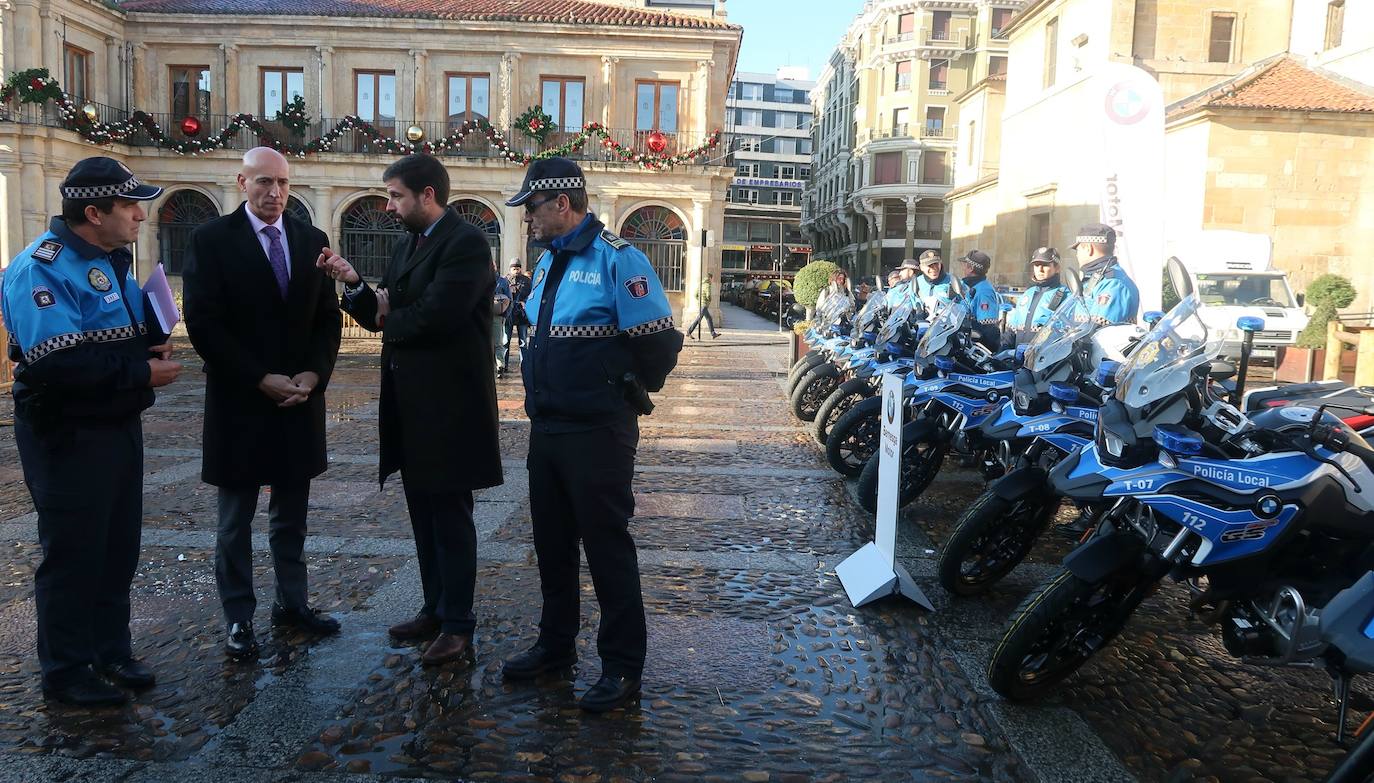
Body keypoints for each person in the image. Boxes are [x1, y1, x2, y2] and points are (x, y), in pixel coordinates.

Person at [499, 158, 682, 712]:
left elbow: (660, 344)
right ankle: (556, 647)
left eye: (531, 208)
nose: (526, 219)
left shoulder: (617, 258)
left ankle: (623, 667)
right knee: (552, 547)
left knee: (607, 549)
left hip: (598, 432)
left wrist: (618, 392)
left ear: (561, 204)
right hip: (548, 427)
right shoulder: (550, 262)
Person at [0, 157, 181, 706]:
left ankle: (111, 650)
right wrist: (141, 372)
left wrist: (151, 344)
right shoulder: (41, 268)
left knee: (117, 546)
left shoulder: (112, 260)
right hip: (67, 433)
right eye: (129, 206)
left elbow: (117, 332)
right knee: (74, 551)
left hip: (116, 424)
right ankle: (66, 670)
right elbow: (57, 365)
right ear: (94, 211)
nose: (140, 216)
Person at [317, 153, 502, 666]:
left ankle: (459, 624)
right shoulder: (409, 245)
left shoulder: (465, 243)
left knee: (451, 516)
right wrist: (354, 285)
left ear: (427, 194)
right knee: (423, 512)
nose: (390, 206)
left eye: (397, 196)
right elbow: (382, 315)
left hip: (450, 405)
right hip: (412, 401)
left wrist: (388, 311)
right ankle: (435, 608)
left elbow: (438, 315)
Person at [183, 147, 343, 660]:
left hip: (298, 399)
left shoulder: (311, 239)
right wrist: (259, 377)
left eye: (281, 183)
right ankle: (238, 618)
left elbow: (327, 318)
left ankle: (292, 604)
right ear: (241, 183)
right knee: (234, 522)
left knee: (291, 517)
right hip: (240, 403)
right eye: (263, 183)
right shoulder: (211, 240)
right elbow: (204, 323)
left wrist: (314, 373)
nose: (274, 193)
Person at [1072, 223, 1140, 325]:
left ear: (1088, 248)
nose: (1077, 255)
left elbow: (1097, 330)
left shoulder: (1113, 283)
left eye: (1078, 250)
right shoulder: (1097, 279)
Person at [1003, 247, 1070, 348]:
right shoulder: (1027, 294)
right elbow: (1012, 329)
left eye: (1045, 265)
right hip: (1018, 357)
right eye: (1037, 265)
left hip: (1045, 359)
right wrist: (1003, 349)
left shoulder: (1065, 295)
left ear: (1057, 268)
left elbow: (1066, 333)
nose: (1040, 269)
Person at [958, 249, 1004, 350]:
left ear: (970, 268)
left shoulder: (984, 291)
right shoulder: (970, 286)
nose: (963, 268)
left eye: (965, 265)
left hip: (977, 348)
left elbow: (988, 328)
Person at [504, 259, 532, 370]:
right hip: (508, 315)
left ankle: (524, 365)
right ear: (510, 269)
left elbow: (531, 295)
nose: (516, 270)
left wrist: (524, 302)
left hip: (522, 315)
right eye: (514, 268)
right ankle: (504, 365)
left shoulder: (526, 281)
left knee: (523, 342)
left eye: (518, 268)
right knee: (505, 342)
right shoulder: (505, 280)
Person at [493, 260, 513, 376]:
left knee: (498, 343)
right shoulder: (481, 279)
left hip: (497, 316)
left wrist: (505, 315)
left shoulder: (502, 281)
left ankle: (500, 366)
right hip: (483, 316)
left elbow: (509, 299)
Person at [684, 273, 719, 340]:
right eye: (712, 279)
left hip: (701, 304)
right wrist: (709, 300)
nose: (712, 280)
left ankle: (713, 333)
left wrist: (699, 300)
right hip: (704, 305)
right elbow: (708, 295)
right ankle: (689, 331)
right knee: (698, 319)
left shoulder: (701, 284)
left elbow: (695, 294)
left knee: (709, 318)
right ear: (710, 278)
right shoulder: (707, 285)